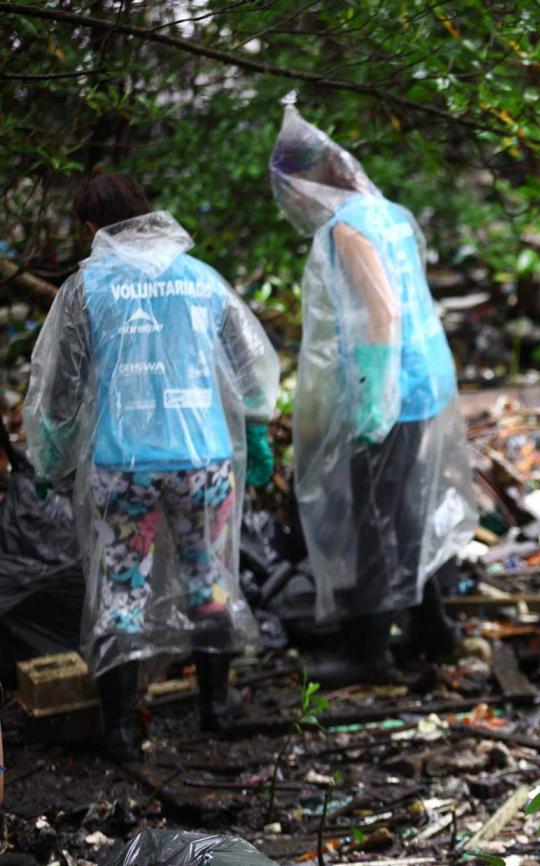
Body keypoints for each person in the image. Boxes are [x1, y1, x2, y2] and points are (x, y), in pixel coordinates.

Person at [23, 172, 279, 762]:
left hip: (125, 465)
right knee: (208, 580)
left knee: (121, 590)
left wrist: (50, 454)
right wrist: (258, 428)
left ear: (93, 227)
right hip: (203, 461)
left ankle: (118, 730)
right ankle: (215, 706)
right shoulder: (201, 279)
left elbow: (59, 388)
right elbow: (251, 365)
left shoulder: (87, 289)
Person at [268, 103, 478, 686]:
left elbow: (381, 311)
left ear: (308, 183)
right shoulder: (385, 212)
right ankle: (432, 630)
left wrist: (373, 402)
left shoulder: (347, 225)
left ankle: (369, 653)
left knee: (372, 518)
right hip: (424, 379)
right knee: (408, 509)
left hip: (395, 385)